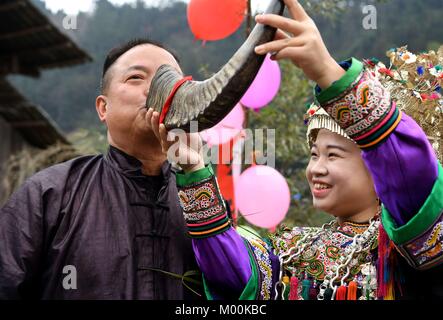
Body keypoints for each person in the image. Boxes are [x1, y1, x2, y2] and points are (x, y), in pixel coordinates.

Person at [149, 0, 443, 300]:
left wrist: (328, 72)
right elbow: (233, 276)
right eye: (314, 154)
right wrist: (194, 167)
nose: (316, 168)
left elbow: (412, 174)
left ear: (378, 166)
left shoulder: (409, 247)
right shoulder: (291, 248)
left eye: (333, 155)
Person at [0, 39, 202, 300]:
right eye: (136, 77)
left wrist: (196, 169)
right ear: (103, 108)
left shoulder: (201, 199)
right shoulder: (49, 193)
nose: (157, 88)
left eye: (169, 80)